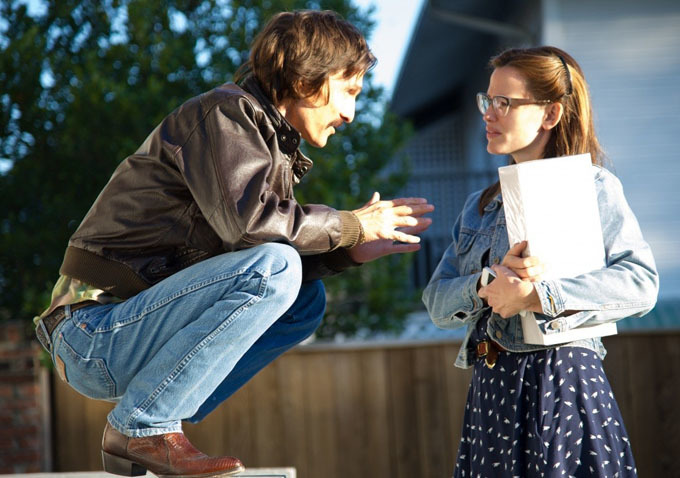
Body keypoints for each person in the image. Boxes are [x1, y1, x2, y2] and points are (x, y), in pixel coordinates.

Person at [34, 10, 433, 478]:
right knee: (278, 268)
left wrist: (349, 251)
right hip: (92, 332)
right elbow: (254, 231)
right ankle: (144, 425)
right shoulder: (224, 115)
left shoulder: (265, 144)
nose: (350, 113)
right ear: (305, 79)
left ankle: (161, 409)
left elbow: (247, 254)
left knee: (304, 301)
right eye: (349, 91)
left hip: (133, 328)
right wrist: (350, 225)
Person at [422, 46, 658, 477]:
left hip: (563, 381)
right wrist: (487, 283)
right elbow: (437, 302)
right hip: (491, 389)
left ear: (550, 114)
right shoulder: (478, 207)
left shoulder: (595, 187)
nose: (488, 113)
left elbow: (640, 283)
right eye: (487, 100)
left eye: (504, 103)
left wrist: (537, 296)